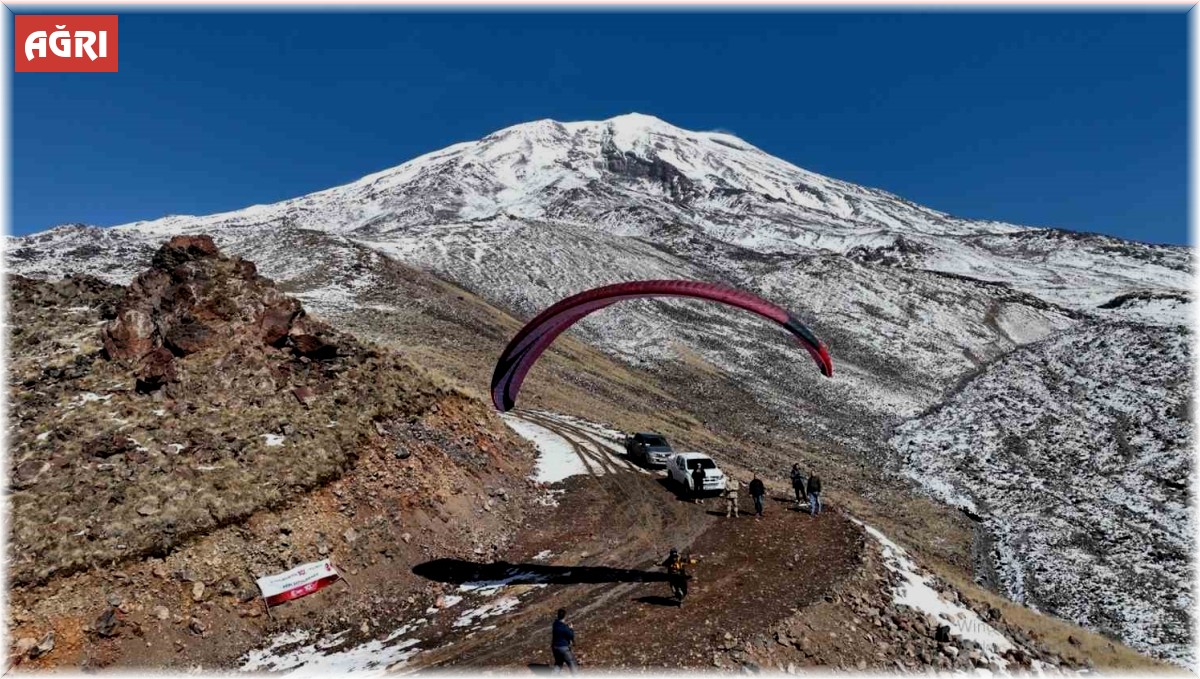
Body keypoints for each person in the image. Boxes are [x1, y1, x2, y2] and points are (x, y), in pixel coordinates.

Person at [551, 608, 578, 673]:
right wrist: (571, 629)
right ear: (565, 616)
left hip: (555, 647)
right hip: (563, 648)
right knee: (572, 664)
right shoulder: (564, 628)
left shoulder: (555, 624)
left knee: (559, 663)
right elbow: (571, 635)